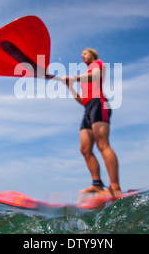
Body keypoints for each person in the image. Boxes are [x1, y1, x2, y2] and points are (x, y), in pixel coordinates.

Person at [62, 48, 122, 196]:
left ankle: (115, 187)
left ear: (93, 55)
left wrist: (73, 78)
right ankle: (97, 185)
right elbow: (82, 101)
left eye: (85, 53)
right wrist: (70, 87)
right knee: (85, 149)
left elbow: (94, 76)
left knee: (102, 144)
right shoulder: (84, 79)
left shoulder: (96, 64)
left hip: (99, 104)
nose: (82, 56)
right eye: (81, 54)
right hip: (88, 108)